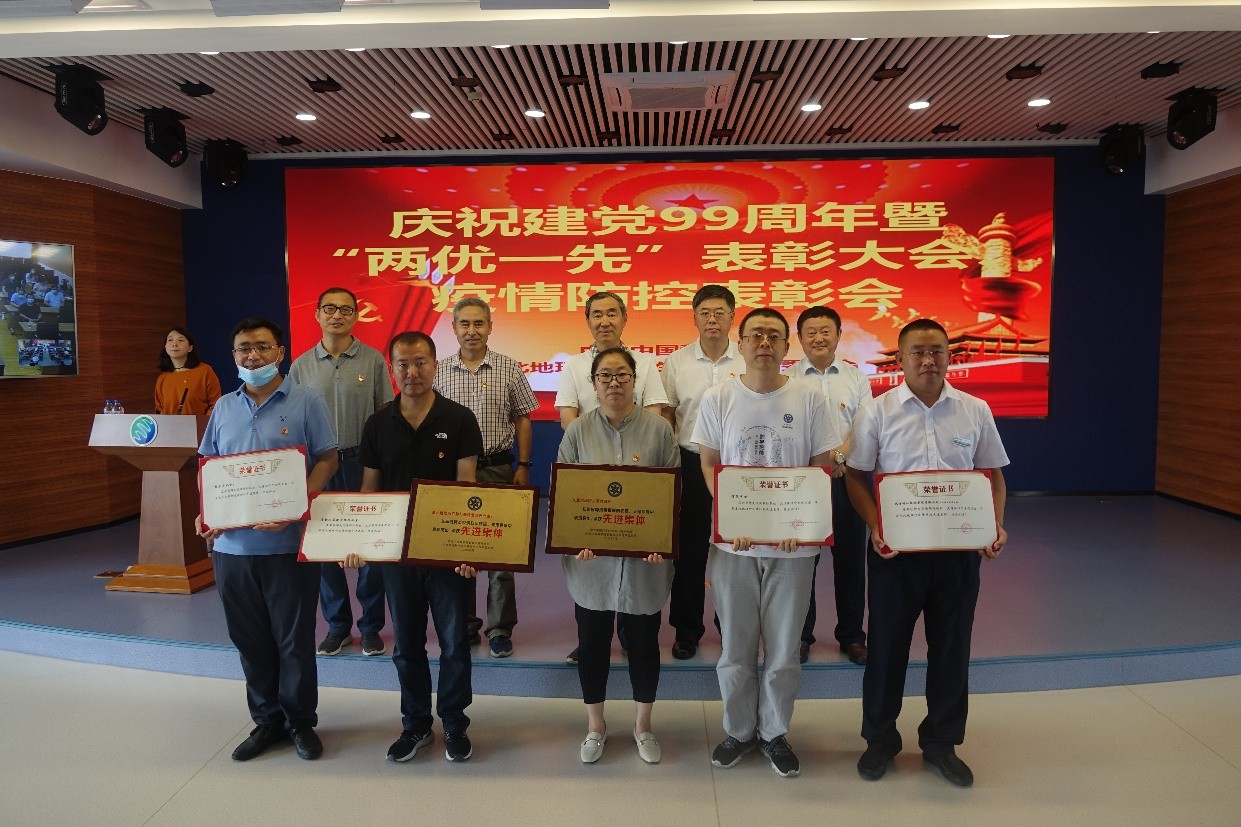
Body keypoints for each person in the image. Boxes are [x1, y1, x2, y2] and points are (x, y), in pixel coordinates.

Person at [845, 318, 1009, 788]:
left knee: (953, 649)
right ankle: (880, 740)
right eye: (917, 351)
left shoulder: (975, 409)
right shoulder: (876, 411)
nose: (928, 360)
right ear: (900, 358)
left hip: (958, 553)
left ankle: (941, 742)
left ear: (949, 356)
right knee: (886, 649)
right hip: (896, 554)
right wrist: (876, 525)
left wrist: (995, 525)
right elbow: (855, 476)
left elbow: (993, 475)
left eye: (937, 350)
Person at [692, 307, 841, 778]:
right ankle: (738, 731)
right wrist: (731, 513)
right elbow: (709, 464)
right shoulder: (718, 397)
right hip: (733, 547)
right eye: (755, 335)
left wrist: (803, 522)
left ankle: (775, 732)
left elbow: (821, 467)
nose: (764, 343)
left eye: (774, 336)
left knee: (783, 650)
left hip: (793, 547)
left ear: (785, 346)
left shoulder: (809, 397)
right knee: (735, 649)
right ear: (740, 343)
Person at [196, 316, 339, 762]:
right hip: (232, 551)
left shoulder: (307, 401)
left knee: (294, 642)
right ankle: (266, 721)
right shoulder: (224, 407)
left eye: (262, 347)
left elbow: (328, 459)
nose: (253, 356)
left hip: (288, 547)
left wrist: (297, 504)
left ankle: (299, 722)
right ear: (233, 355)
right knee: (250, 641)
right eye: (244, 348)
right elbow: (209, 466)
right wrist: (206, 512)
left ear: (280, 352)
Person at [350, 331, 482, 764]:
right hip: (397, 555)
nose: (412, 372)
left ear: (435, 365)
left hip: (446, 554)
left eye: (421, 362)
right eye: (403, 364)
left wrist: (467, 549)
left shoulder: (460, 419)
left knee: (454, 644)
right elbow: (369, 491)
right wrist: (359, 542)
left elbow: (467, 488)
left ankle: (455, 723)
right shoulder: (377, 424)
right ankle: (416, 725)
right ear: (392, 369)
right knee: (406, 645)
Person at [557, 347, 679, 764]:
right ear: (593, 384)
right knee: (592, 644)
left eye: (622, 375)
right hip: (591, 563)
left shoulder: (659, 430)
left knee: (644, 644)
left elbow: (672, 494)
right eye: (605, 376)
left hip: (646, 563)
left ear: (635, 381)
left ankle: (643, 726)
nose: (614, 383)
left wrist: (660, 540)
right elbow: (564, 494)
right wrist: (576, 536)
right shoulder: (577, 432)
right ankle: (596, 725)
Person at [555, 290, 669, 664]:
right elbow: (568, 416)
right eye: (597, 314)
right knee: (592, 562)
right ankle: (591, 640)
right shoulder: (574, 365)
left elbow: (654, 413)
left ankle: (633, 638)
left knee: (635, 562)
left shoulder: (646, 363)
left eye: (612, 313)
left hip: (639, 471)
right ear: (588, 320)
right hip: (590, 473)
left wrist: (635, 450)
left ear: (624, 318)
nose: (604, 321)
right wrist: (594, 450)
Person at [289, 287, 391, 658]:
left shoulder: (373, 359)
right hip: (319, 464)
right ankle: (337, 626)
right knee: (323, 547)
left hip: (362, 462)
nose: (337, 315)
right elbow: (294, 419)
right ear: (317, 314)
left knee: (370, 547)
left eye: (345, 309)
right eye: (329, 308)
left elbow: (385, 414)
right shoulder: (301, 365)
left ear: (356, 316)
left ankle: (372, 627)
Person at [433, 296, 538, 659]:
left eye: (479, 323)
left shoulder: (509, 368)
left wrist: (524, 465)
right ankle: (464, 624)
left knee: (500, 552)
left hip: (497, 467)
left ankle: (499, 628)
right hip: (452, 472)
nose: (472, 331)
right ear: (454, 328)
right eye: (465, 323)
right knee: (458, 551)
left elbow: (523, 418)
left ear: (490, 327)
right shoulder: (439, 371)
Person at [659, 284, 744, 660]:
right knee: (690, 550)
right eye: (705, 313)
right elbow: (666, 415)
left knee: (736, 549)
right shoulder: (677, 362)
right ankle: (687, 630)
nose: (712, 319)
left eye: (720, 312)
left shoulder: (747, 358)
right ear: (694, 317)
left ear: (732, 317)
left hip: (737, 465)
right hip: (690, 462)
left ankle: (733, 628)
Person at [784, 306, 871, 666]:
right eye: (811, 332)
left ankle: (852, 636)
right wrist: (818, 465)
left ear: (837, 335)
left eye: (825, 331)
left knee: (850, 561)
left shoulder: (856, 378)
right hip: (805, 482)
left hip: (847, 478)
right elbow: (789, 431)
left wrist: (837, 457)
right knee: (803, 560)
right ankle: (802, 635)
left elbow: (865, 425)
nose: (818, 338)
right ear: (800, 338)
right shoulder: (787, 379)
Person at [155, 326, 222, 415]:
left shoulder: (205, 371)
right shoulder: (162, 379)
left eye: (180, 340)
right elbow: (160, 410)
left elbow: (216, 405)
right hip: (170, 424)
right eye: (170, 340)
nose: (174, 344)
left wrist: (204, 422)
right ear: (165, 347)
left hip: (200, 424)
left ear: (190, 348)